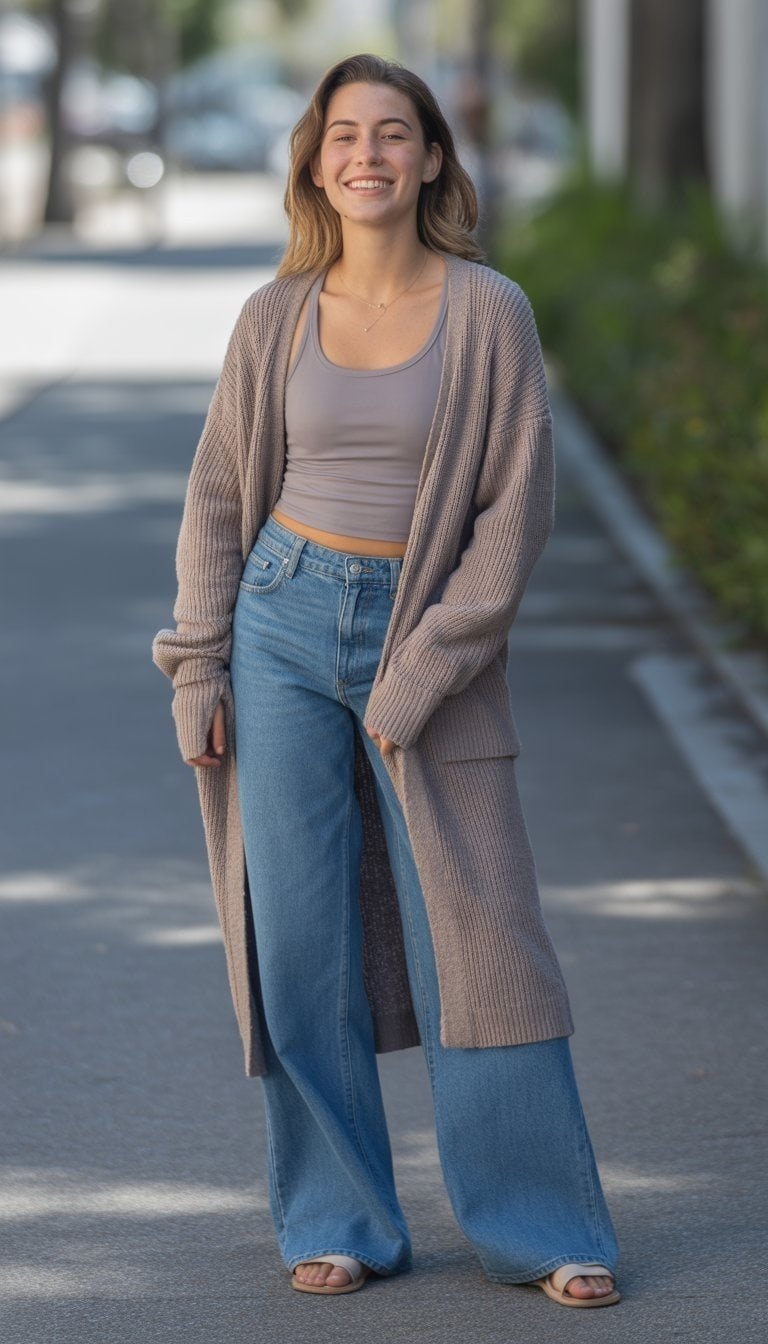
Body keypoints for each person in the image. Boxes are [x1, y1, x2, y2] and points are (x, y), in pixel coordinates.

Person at [152, 52, 621, 1306]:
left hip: (432, 643)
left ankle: (543, 1229)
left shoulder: (490, 313)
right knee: (296, 939)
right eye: (344, 133)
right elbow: (214, 497)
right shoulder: (274, 315)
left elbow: (511, 524)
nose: (368, 153)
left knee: (482, 937)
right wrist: (199, 663)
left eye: (394, 133)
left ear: (429, 160)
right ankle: (340, 1219)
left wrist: (418, 675)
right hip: (282, 624)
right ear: (314, 161)